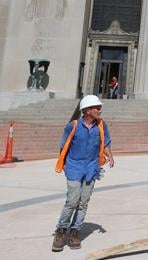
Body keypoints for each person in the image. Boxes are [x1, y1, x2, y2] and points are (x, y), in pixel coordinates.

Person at [52, 95, 114, 252]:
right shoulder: (72, 126)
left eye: (100, 107)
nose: (100, 110)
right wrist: (64, 164)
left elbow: (105, 142)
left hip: (92, 168)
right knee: (72, 201)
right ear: (86, 110)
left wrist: (110, 156)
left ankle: (74, 233)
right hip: (74, 167)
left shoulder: (101, 125)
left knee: (83, 202)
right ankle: (60, 231)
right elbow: (63, 146)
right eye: (96, 107)